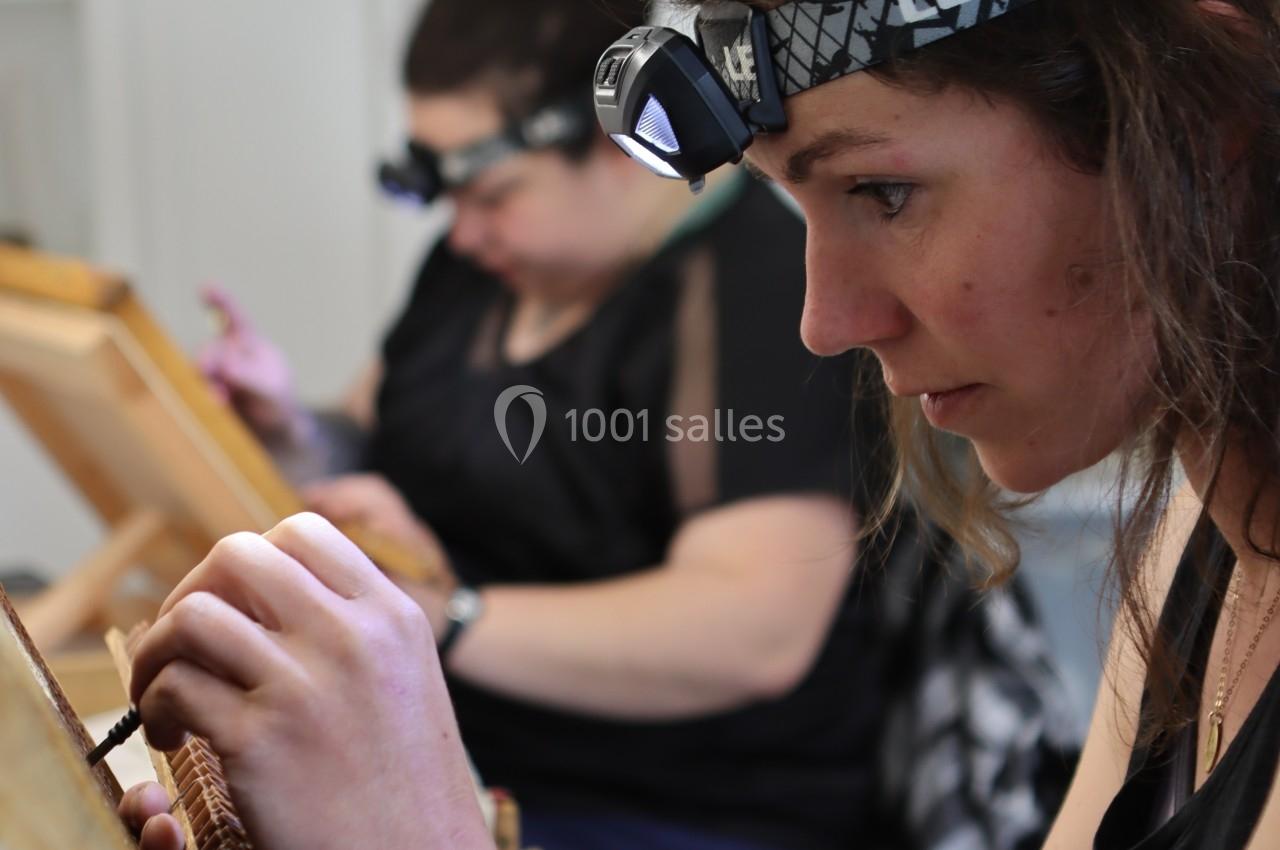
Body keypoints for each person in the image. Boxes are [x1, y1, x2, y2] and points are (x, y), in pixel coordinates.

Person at [117, 0, 1245, 847]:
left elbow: (752, 629)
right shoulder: (1195, 532)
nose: (825, 321)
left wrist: (435, 656)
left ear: (1185, 125)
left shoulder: (734, 297)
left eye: (879, 192)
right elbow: (376, 438)